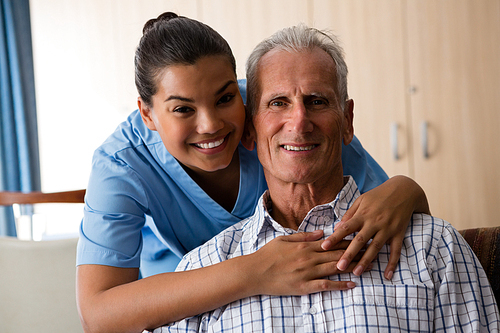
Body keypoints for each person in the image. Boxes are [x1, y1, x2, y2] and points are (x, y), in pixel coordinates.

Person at [76, 13, 430, 333]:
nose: (211, 124)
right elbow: (99, 314)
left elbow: (393, 218)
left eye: (225, 98)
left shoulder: (285, 119)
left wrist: (406, 189)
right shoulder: (120, 163)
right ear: (148, 114)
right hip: (176, 297)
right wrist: (257, 270)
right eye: (183, 109)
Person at [155, 24, 500, 332]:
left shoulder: (433, 247)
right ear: (250, 130)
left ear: (348, 121)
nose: (299, 121)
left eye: (317, 101)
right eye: (278, 103)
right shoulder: (202, 270)